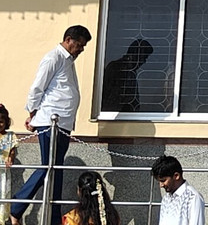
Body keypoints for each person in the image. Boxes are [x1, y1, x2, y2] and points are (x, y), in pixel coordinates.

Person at [10, 25, 92, 225]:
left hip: (63, 123)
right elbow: (37, 87)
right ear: (68, 39)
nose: (81, 49)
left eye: (83, 46)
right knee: (48, 166)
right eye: (79, 45)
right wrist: (33, 113)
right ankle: (16, 207)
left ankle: (54, 218)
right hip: (50, 123)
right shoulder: (53, 57)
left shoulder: (67, 60)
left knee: (56, 169)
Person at [100, 39, 153, 113]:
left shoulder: (131, 72)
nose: (144, 61)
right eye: (143, 57)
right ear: (136, 54)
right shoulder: (116, 68)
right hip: (114, 115)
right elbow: (111, 97)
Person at [152, 156, 204, 225]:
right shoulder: (166, 197)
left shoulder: (193, 197)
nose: (161, 185)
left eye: (163, 180)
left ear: (176, 176)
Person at [0, 104, 16, 222]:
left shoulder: (10, 136)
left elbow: (12, 151)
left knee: (3, 194)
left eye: (1, 122)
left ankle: (1, 219)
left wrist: (10, 158)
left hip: (3, 173)